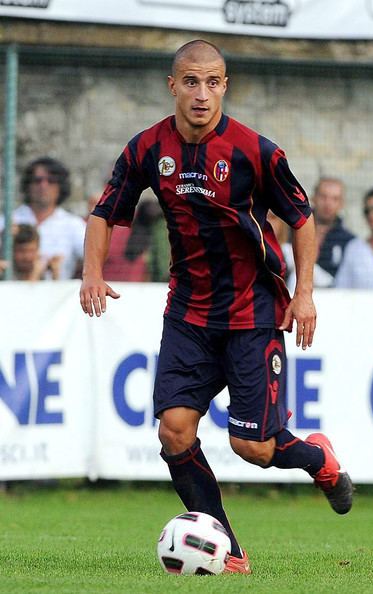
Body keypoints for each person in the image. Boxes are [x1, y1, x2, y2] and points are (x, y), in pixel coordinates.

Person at [80, 40, 353, 573]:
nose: (201, 94)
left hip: (253, 314)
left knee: (253, 446)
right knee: (174, 430)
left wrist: (304, 295)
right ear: (172, 86)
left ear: (225, 86)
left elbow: (301, 218)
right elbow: (104, 211)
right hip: (188, 314)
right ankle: (226, 549)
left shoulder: (256, 151)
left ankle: (318, 458)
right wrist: (93, 272)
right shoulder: (146, 148)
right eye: (190, 82)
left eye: (212, 82)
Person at [1, 157, 86, 279]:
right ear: (28, 185)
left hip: (58, 295)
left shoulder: (74, 225)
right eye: (37, 180)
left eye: (51, 181)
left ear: (61, 186)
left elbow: (97, 258)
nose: (43, 186)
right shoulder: (7, 221)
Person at [312, 177, 355, 285]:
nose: (328, 203)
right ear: (313, 198)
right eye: (323, 197)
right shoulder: (292, 231)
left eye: (335, 199)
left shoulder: (349, 241)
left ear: (341, 204)